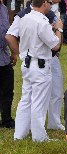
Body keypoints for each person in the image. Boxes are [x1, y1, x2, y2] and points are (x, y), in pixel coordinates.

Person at [7, 0, 61, 142]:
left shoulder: (25, 18)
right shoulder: (41, 21)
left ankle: (19, 134)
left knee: (26, 100)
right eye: (49, 2)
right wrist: (58, 30)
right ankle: (39, 137)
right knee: (39, 102)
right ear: (44, 3)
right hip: (39, 65)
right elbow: (55, 45)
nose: (50, 4)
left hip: (27, 64)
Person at [0, 0, 15, 129]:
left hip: (4, 58)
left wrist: (13, 53)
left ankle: (6, 119)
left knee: (8, 91)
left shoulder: (4, 8)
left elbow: (7, 32)